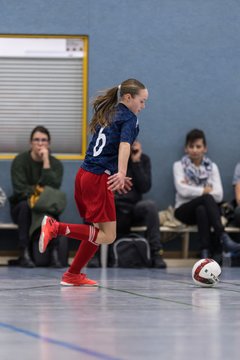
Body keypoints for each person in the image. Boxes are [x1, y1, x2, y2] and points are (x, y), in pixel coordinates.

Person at [39, 78, 149, 286]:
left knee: (96, 230)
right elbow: (124, 145)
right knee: (108, 236)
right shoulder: (129, 118)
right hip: (98, 177)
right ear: (128, 97)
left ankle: (72, 274)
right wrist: (122, 172)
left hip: (84, 175)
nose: (143, 106)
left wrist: (117, 174)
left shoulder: (109, 112)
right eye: (142, 101)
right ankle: (55, 228)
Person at [173, 128, 240, 259]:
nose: (195, 150)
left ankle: (205, 251)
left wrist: (192, 190)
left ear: (205, 148)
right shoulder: (179, 166)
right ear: (186, 149)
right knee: (207, 197)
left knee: (202, 209)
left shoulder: (212, 167)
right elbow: (182, 191)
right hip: (183, 210)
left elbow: (219, 195)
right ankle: (223, 237)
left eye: (198, 146)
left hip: (205, 211)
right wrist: (204, 190)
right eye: (191, 146)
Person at [9, 125, 67, 268]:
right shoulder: (20, 161)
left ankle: (54, 254)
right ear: (31, 143)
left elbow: (53, 189)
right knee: (25, 207)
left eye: (44, 140)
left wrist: (46, 162)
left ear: (49, 143)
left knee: (51, 208)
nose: (40, 143)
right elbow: (20, 189)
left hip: (44, 207)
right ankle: (24, 253)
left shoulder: (55, 164)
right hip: (21, 206)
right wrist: (41, 192)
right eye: (36, 140)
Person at [105, 140, 166, 268]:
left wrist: (136, 162)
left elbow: (145, 187)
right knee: (94, 206)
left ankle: (156, 253)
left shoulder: (143, 159)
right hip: (115, 206)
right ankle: (95, 257)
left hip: (134, 207)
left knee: (150, 206)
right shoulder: (111, 158)